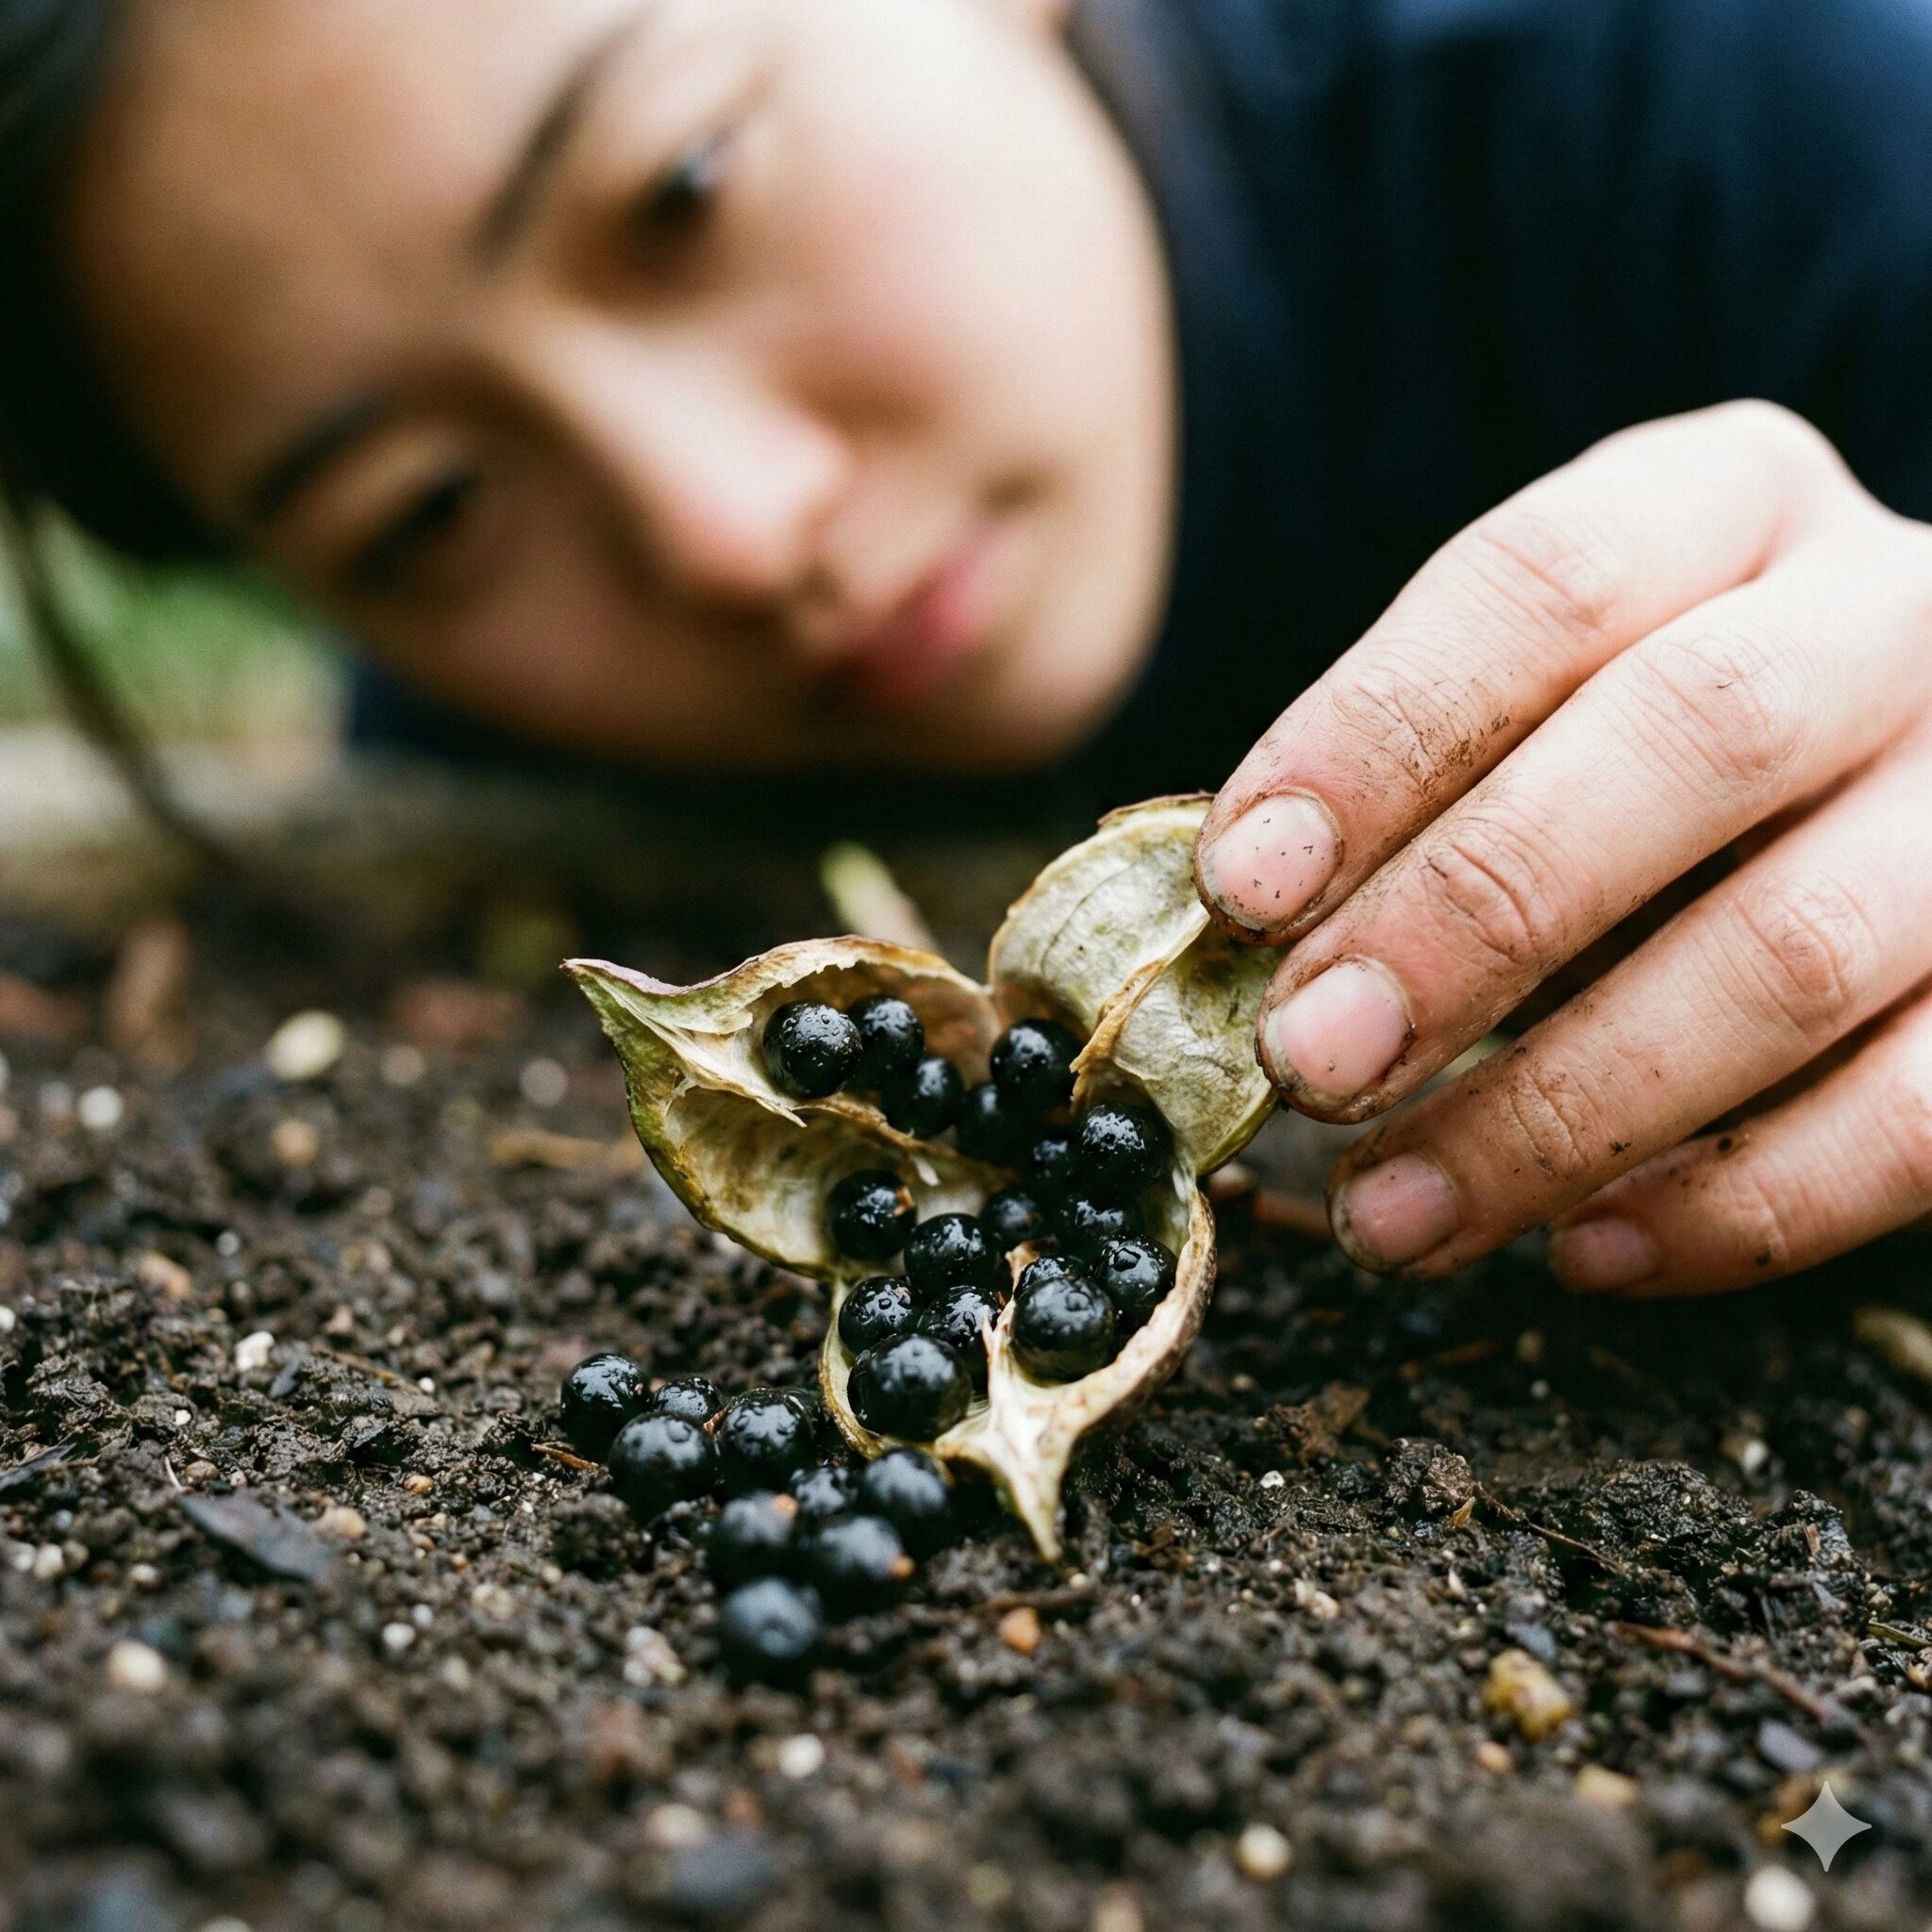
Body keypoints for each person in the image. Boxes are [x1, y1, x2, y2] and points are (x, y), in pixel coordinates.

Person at [1, 0, 1927, 1299]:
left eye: (680, 190)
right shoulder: (481, 750)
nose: (730, 529)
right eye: (427, 512)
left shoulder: (1749, 107)